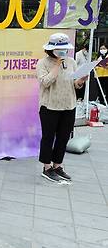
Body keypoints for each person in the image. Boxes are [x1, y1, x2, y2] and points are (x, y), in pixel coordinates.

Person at [37, 33, 87, 183]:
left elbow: (75, 84)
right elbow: (45, 82)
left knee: (63, 137)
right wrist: (57, 65)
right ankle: (47, 168)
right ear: (51, 48)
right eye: (59, 48)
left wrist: (81, 80)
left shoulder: (71, 62)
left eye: (64, 48)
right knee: (48, 137)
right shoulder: (43, 63)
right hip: (49, 106)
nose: (63, 51)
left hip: (69, 105)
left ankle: (58, 165)